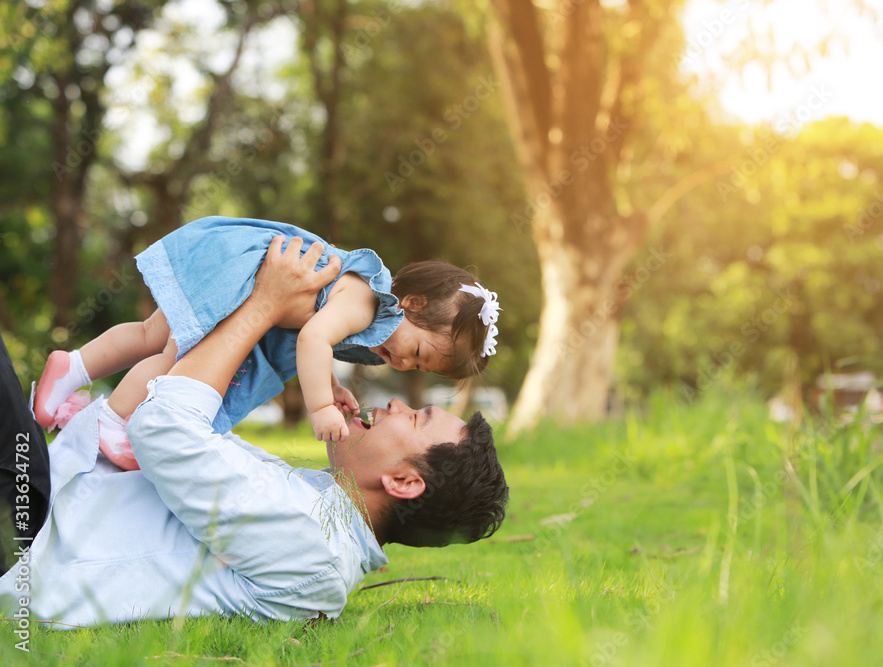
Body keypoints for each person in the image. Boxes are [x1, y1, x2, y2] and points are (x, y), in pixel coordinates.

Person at [0, 236, 509, 627]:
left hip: (27, 536)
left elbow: (163, 426)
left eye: (417, 419)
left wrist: (265, 302)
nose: (399, 402)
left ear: (404, 482)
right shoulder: (317, 507)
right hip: (42, 494)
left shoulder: (314, 544)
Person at [32, 215, 502, 470]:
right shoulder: (365, 300)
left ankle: (70, 368)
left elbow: (311, 343)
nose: (402, 363)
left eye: (417, 368)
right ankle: (113, 423)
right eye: (417, 352)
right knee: (173, 359)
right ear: (411, 303)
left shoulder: (368, 313)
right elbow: (314, 337)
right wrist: (319, 407)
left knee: (150, 335)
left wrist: (331, 389)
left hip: (233, 265)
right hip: (249, 279)